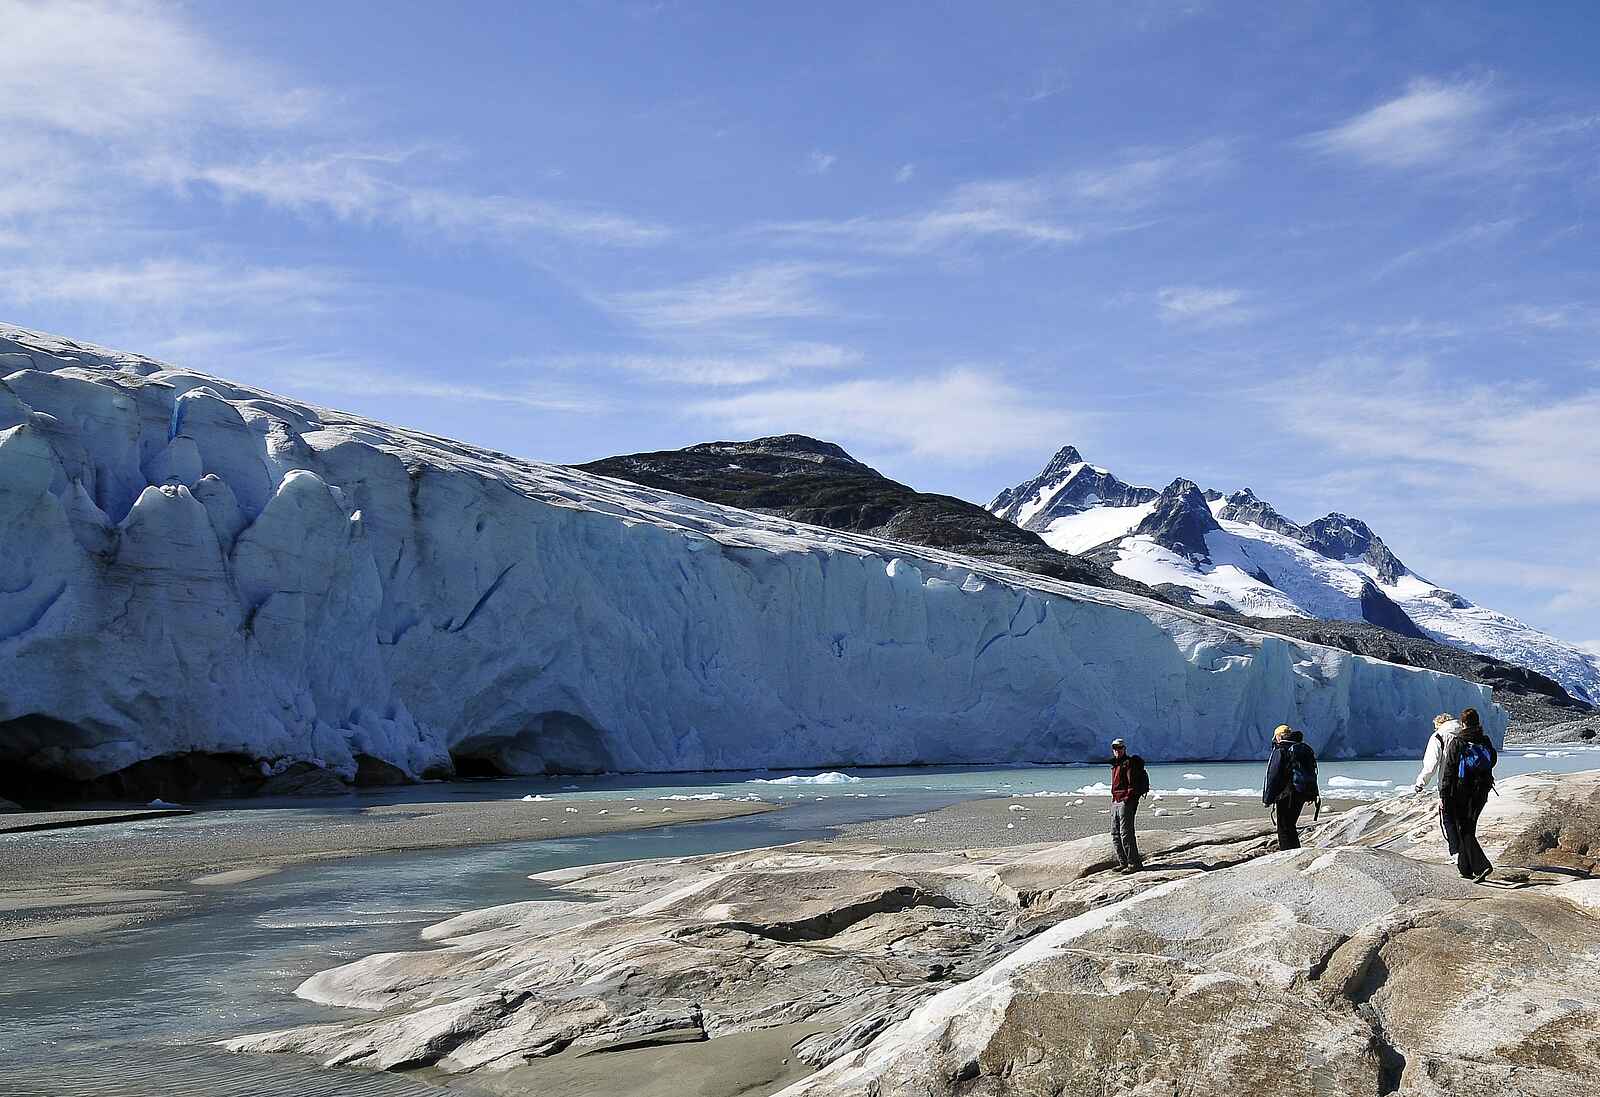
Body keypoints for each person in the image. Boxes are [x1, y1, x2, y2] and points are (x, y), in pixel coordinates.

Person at [1439, 707, 1497, 881]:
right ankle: (1465, 867)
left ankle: (1482, 866)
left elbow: (1449, 769)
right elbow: (1492, 760)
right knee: (1469, 826)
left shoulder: (1458, 742)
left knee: (1464, 828)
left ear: (1463, 723)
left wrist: (1444, 794)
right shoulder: (1485, 741)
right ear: (1478, 722)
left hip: (1461, 791)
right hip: (1482, 790)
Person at [1262, 724, 1318, 850]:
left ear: (1279, 736)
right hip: (1301, 792)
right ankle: (1295, 851)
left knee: (1284, 826)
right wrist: (1311, 794)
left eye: (1275, 736)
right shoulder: (1302, 748)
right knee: (1291, 824)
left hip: (1287, 794)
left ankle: (1287, 854)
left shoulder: (1281, 750)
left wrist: (1268, 798)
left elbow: (1273, 775)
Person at [1109, 737, 1150, 873]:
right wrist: (1115, 798)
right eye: (1115, 748)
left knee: (1126, 833)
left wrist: (1127, 798)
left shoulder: (1128, 764)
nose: (1117, 750)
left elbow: (1132, 784)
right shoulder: (1116, 765)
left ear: (1124, 749)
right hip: (1116, 800)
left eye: (1120, 748)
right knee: (1115, 833)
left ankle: (1134, 864)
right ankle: (1123, 862)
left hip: (1126, 801)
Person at [1412, 712, 1462, 795]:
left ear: (1438, 724)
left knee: (1448, 807)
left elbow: (1431, 764)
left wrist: (1420, 783)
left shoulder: (1438, 736)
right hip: (1469, 781)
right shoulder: (1464, 733)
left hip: (1448, 782)